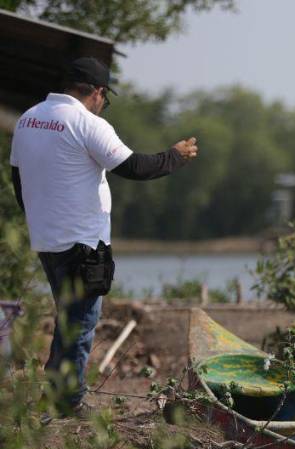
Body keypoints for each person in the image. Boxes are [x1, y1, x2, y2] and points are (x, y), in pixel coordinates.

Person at [9, 57, 199, 419]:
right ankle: (70, 404)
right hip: (82, 242)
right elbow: (133, 166)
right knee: (80, 323)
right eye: (104, 97)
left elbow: (18, 177)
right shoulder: (86, 123)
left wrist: (36, 217)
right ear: (97, 92)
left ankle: (55, 397)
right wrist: (174, 157)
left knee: (69, 317)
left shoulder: (28, 118)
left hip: (47, 239)